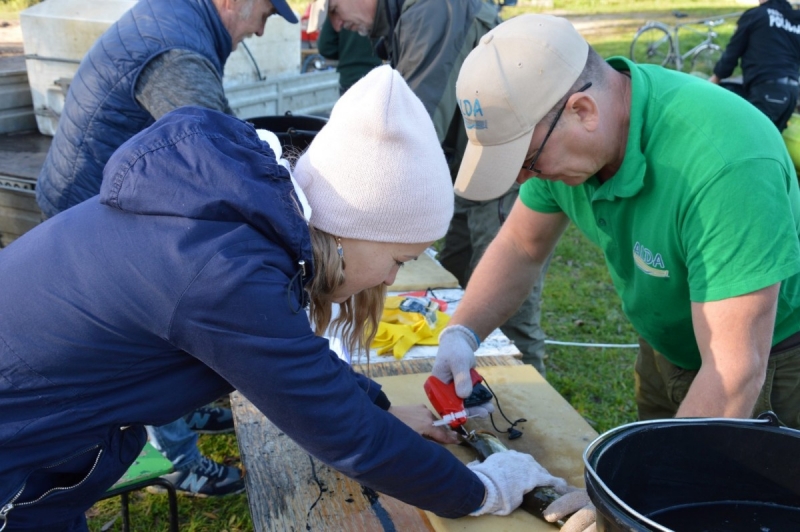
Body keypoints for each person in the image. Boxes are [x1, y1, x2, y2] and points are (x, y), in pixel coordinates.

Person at [0, 66, 585, 532]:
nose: (388, 279)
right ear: (356, 228)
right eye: (398, 260)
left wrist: (382, 409)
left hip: (51, 444)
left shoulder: (232, 213)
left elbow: (298, 363)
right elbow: (345, 436)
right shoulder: (221, 270)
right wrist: (483, 490)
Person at [432, 14, 800, 530]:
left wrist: (626, 494)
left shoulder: (725, 161)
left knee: (724, 511)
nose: (523, 177)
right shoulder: (567, 141)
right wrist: (463, 331)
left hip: (772, 364)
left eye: (528, 161)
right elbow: (520, 244)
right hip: (668, 348)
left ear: (583, 110)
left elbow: (735, 370)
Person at [32, 0, 300, 496]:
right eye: (265, 11)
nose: (263, 29)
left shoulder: (179, 16)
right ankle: (177, 461)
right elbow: (214, 162)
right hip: (87, 206)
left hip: (95, 194)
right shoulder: (176, 53)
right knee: (156, 335)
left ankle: (188, 409)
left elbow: (214, 130)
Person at [326, 0, 551, 375]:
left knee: (504, 309)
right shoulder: (405, 14)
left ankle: (529, 409)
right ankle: (461, 390)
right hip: (465, 166)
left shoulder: (432, 9)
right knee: (451, 293)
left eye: (333, 9)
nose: (336, 24)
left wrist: (355, 208)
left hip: (506, 168)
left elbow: (411, 126)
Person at [710, 0, 800, 132]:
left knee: (748, 140)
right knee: (769, 142)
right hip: (791, 94)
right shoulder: (795, 20)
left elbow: (733, 52)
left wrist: (716, 78)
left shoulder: (757, 15)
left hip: (767, 91)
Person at [317, 15, 382, 95]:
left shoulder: (340, 4)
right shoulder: (385, 3)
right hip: (380, 77)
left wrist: (346, 54)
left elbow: (325, 47)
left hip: (349, 78)